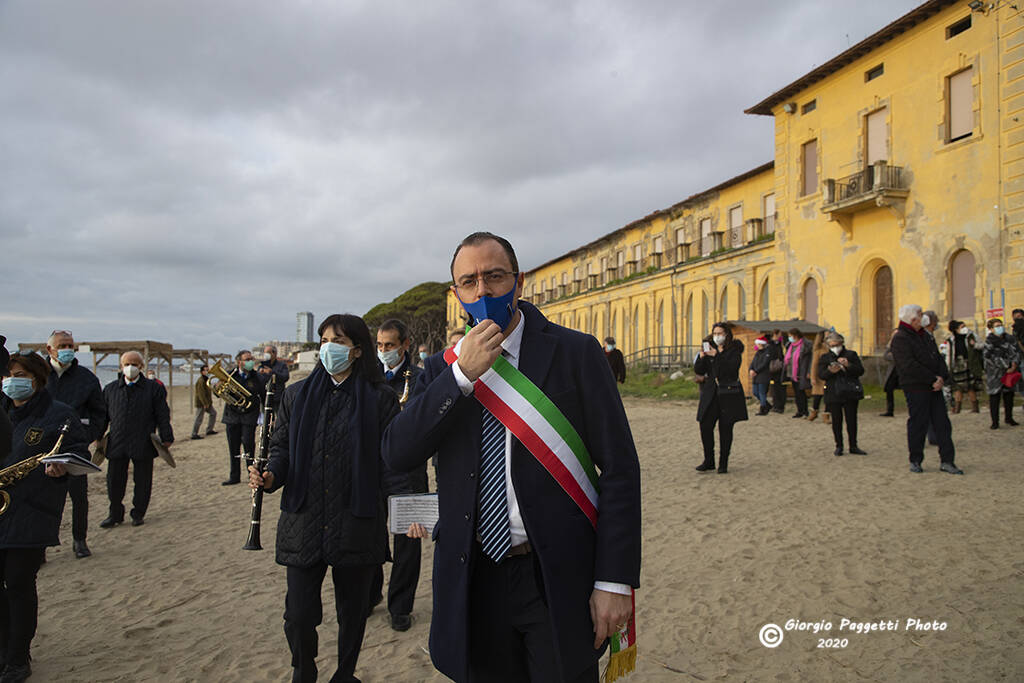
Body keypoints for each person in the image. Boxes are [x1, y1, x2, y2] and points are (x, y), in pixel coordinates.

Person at [382, 232, 641, 682]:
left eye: (494, 277)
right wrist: (462, 376)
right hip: (473, 574)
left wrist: (614, 581)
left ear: (519, 282)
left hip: (556, 574)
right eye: (469, 282)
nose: (482, 292)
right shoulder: (443, 368)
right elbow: (398, 450)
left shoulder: (576, 352)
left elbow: (619, 469)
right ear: (456, 294)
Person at [247, 314, 402, 683]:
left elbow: (392, 462)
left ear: (357, 350)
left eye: (339, 341)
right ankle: (304, 669)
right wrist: (270, 476)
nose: (328, 348)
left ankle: (345, 674)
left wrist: (406, 509)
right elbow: (281, 449)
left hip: (357, 521)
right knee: (298, 615)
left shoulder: (381, 399)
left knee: (354, 613)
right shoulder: (296, 395)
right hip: (304, 519)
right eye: (324, 340)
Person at [1, 350, 88, 683]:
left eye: (20, 375)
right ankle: (4, 650)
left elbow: (79, 453)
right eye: (9, 375)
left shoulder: (59, 415)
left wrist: (61, 467)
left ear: (37, 379)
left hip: (34, 511)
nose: (13, 382)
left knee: (20, 584)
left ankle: (18, 657)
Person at [370, 318, 426, 632]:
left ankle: (401, 606)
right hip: (374, 467)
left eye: (389, 345)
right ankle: (371, 593)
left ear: (405, 344)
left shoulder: (420, 378)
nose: (383, 351)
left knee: (408, 539)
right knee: (371, 534)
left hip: (410, 470)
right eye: (379, 346)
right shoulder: (370, 378)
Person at [43, 330, 105, 559]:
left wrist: (86, 435)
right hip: (41, 449)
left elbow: (100, 413)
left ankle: (79, 539)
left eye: (71, 346)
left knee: (79, 497)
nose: (68, 350)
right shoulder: (38, 375)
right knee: (40, 497)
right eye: (63, 345)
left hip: (74, 448)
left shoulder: (87, 379)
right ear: (49, 349)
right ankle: (39, 546)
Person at [98, 351, 175, 526]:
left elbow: (162, 414)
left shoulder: (153, 388)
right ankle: (115, 514)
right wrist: (98, 436)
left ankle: (138, 513)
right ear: (121, 366)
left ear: (141, 367)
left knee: (143, 481)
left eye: (134, 364)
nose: (130, 367)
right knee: (114, 482)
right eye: (126, 364)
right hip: (117, 442)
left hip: (144, 441)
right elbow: (103, 416)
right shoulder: (110, 389)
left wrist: (166, 436)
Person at [890, 305, 961, 474]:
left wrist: (942, 377)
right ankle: (915, 460)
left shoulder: (926, 336)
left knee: (942, 424)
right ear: (912, 319)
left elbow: (937, 358)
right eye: (920, 315)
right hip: (916, 387)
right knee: (918, 424)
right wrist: (931, 379)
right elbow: (908, 365)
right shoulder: (900, 338)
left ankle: (947, 460)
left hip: (935, 387)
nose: (923, 319)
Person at [694, 323, 748, 473]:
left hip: (728, 394)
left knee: (725, 429)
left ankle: (723, 463)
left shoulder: (734, 351)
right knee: (705, 425)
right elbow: (699, 370)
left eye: (720, 333)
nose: (717, 336)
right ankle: (708, 460)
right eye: (715, 333)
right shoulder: (710, 348)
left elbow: (730, 371)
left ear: (727, 334)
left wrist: (716, 356)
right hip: (711, 393)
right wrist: (702, 357)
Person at [220, 350, 265, 486]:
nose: (250, 361)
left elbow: (263, 395)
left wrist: (265, 415)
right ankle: (234, 476)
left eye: (251, 358)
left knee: (248, 446)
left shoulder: (256, 377)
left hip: (249, 416)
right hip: (232, 416)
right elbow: (220, 392)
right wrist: (219, 387)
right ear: (239, 362)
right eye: (247, 359)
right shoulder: (230, 375)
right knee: (233, 448)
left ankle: (251, 474)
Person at [818, 332, 866, 456]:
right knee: (836, 420)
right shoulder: (825, 357)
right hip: (833, 392)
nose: (835, 347)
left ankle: (853, 445)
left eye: (837, 344)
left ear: (842, 343)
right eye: (832, 345)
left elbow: (860, 371)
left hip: (850, 391)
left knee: (851, 419)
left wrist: (848, 365)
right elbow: (821, 375)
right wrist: (830, 371)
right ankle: (839, 445)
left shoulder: (851, 355)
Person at [981, 318, 1021, 429]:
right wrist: (1006, 365)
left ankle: (1009, 418)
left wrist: (1014, 364)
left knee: (1009, 396)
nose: (1000, 327)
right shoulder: (989, 341)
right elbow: (988, 357)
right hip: (995, 374)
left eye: (1000, 325)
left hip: (1010, 373)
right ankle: (995, 422)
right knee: (995, 398)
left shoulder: (1009, 338)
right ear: (991, 329)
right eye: (997, 326)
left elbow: (1016, 352)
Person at [944, 321, 983, 414]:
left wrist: (974, 344)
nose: (964, 328)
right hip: (957, 365)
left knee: (970, 387)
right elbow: (949, 355)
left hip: (969, 364)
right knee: (957, 387)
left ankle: (975, 407)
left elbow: (981, 345)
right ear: (956, 329)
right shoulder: (951, 340)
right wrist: (948, 367)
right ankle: (957, 408)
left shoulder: (971, 336)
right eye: (961, 327)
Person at [783, 328, 811, 418]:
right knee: (796, 393)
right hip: (792, 373)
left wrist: (809, 371)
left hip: (801, 371)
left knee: (801, 392)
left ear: (795, 335)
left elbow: (809, 360)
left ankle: (805, 411)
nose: (789, 338)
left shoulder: (805, 345)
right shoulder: (790, 345)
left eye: (790, 336)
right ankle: (799, 410)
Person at [191, 365, 218, 440]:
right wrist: (205, 403)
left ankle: (209, 430)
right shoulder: (201, 381)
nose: (207, 372)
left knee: (213, 413)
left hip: (208, 403)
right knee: (199, 418)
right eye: (205, 370)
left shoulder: (206, 379)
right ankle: (194, 434)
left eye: (208, 370)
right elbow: (201, 394)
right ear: (202, 372)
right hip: (201, 403)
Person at [748, 336, 773, 415]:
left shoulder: (767, 352)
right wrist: (751, 369)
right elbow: (753, 362)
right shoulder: (757, 352)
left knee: (762, 392)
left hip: (763, 376)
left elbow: (764, 364)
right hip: (756, 376)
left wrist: (756, 371)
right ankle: (767, 405)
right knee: (755, 392)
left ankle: (763, 409)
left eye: (757, 343)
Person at [807, 331, 827, 422]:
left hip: (829, 375)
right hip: (820, 376)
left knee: (828, 397)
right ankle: (814, 412)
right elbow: (814, 365)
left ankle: (826, 414)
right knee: (817, 397)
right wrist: (813, 377)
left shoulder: (832, 349)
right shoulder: (819, 350)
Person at [880, 328, 900, 417]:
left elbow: (903, 357)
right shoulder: (891, 345)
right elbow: (886, 356)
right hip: (893, 370)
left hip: (902, 370)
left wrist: (895, 356)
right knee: (889, 388)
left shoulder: (904, 344)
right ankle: (890, 410)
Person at [768, 330, 786, 413]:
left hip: (780, 369)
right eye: (779, 334)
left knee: (780, 388)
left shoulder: (780, 344)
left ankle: (780, 406)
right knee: (775, 388)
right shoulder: (771, 345)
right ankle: (776, 405)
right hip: (774, 368)